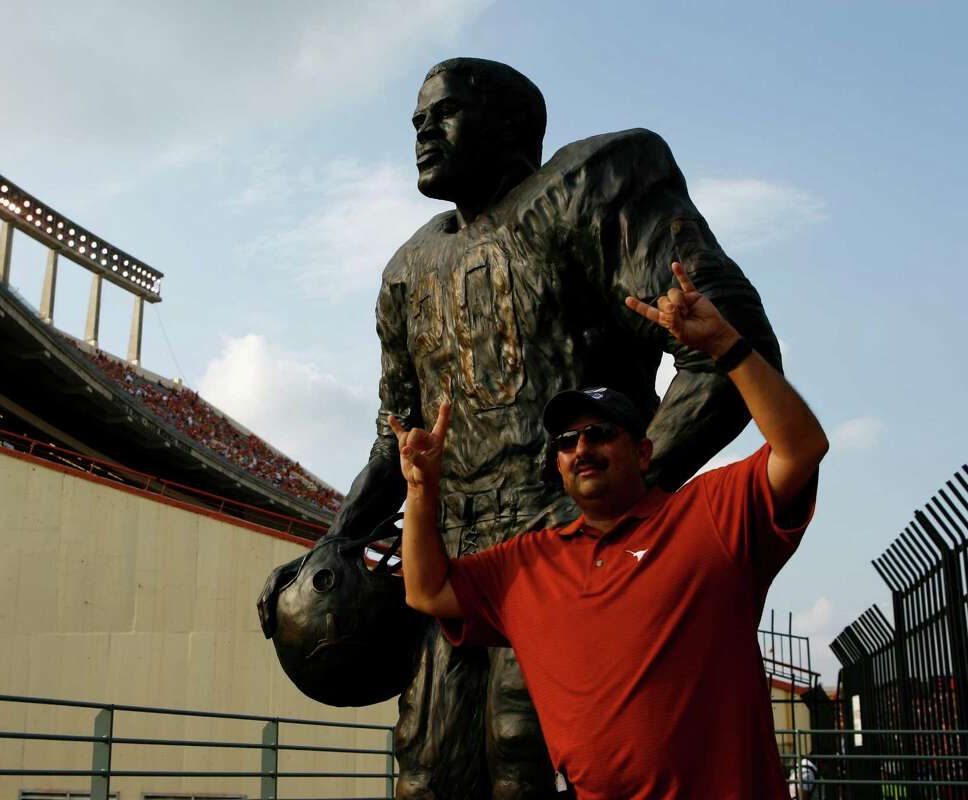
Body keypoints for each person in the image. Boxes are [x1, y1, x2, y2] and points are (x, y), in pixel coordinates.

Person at [259, 58, 783, 799]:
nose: (421, 130)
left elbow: (731, 352)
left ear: (510, 127)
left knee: (536, 762)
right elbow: (398, 437)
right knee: (429, 774)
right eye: (415, 119)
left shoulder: (593, 187)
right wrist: (337, 534)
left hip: (564, 549)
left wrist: (606, 507)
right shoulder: (409, 268)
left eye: (443, 113)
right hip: (459, 559)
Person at [390, 261, 828, 799]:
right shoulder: (527, 563)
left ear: (643, 452)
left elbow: (801, 449)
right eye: (567, 442)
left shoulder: (710, 514)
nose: (582, 449)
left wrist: (726, 346)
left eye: (599, 433)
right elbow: (426, 589)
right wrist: (421, 489)